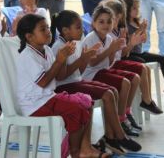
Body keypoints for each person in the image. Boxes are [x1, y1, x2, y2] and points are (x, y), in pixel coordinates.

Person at [16, 13, 111, 158]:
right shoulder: (28, 56)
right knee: (77, 108)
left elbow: (60, 76)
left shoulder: (46, 50)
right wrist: (60, 60)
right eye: (43, 29)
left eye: (48, 27)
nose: (48, 31)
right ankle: (74, 152)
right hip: (35, 104)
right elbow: (43, 82)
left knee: (87, 103)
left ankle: (84, 149)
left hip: (48, 98)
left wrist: (73, 58)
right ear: (29, 37)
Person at [50, 10, 142, 154]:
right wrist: (83, 59)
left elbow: (79, 72)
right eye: (78, 27)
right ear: (66, 31)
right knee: (106, 94)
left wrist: (85, 58)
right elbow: (61, 77)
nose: (82, 30)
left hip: (76, 82)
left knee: (112, 91)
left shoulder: (76, 43)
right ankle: (120, 135)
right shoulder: (58, 47)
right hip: (64, 87)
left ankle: (111, 136)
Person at [81, 5, 142, 136]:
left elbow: (108, 63)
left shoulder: (109, 38)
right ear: (93, 23)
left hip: (103, 71)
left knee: (134, 78)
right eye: (101, 21)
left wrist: (114, 49)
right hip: (91, 75)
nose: (106, 25)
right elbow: (92, 62)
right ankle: (121, 120)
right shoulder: (90, 38)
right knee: (124, 83)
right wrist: (111, 49)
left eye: (109, 21)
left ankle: (126, 112)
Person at [103, 0, 163, 129]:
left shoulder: (117, 31)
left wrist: (134, 39)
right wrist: (131, 43)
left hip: (117, 62)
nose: (115, 21)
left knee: (144, 67)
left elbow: (125, 53)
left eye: (117, 18)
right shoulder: (108, 33)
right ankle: (138, 105)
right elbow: (114, 57)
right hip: (112, 65)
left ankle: (143, 102)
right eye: (113, 18)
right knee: (141, 67)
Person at [121, 0, 164, 99]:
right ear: (126, 9)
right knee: (141, 62)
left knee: (163, 59)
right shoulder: (125, 24)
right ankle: (144, 93)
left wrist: (143, 30)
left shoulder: (135, 22)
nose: (137, 10)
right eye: (134, 8)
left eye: (138, 7)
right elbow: (129, 40)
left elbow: (143, 39)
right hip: (129, 54)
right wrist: (140, 29)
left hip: (139, 52)